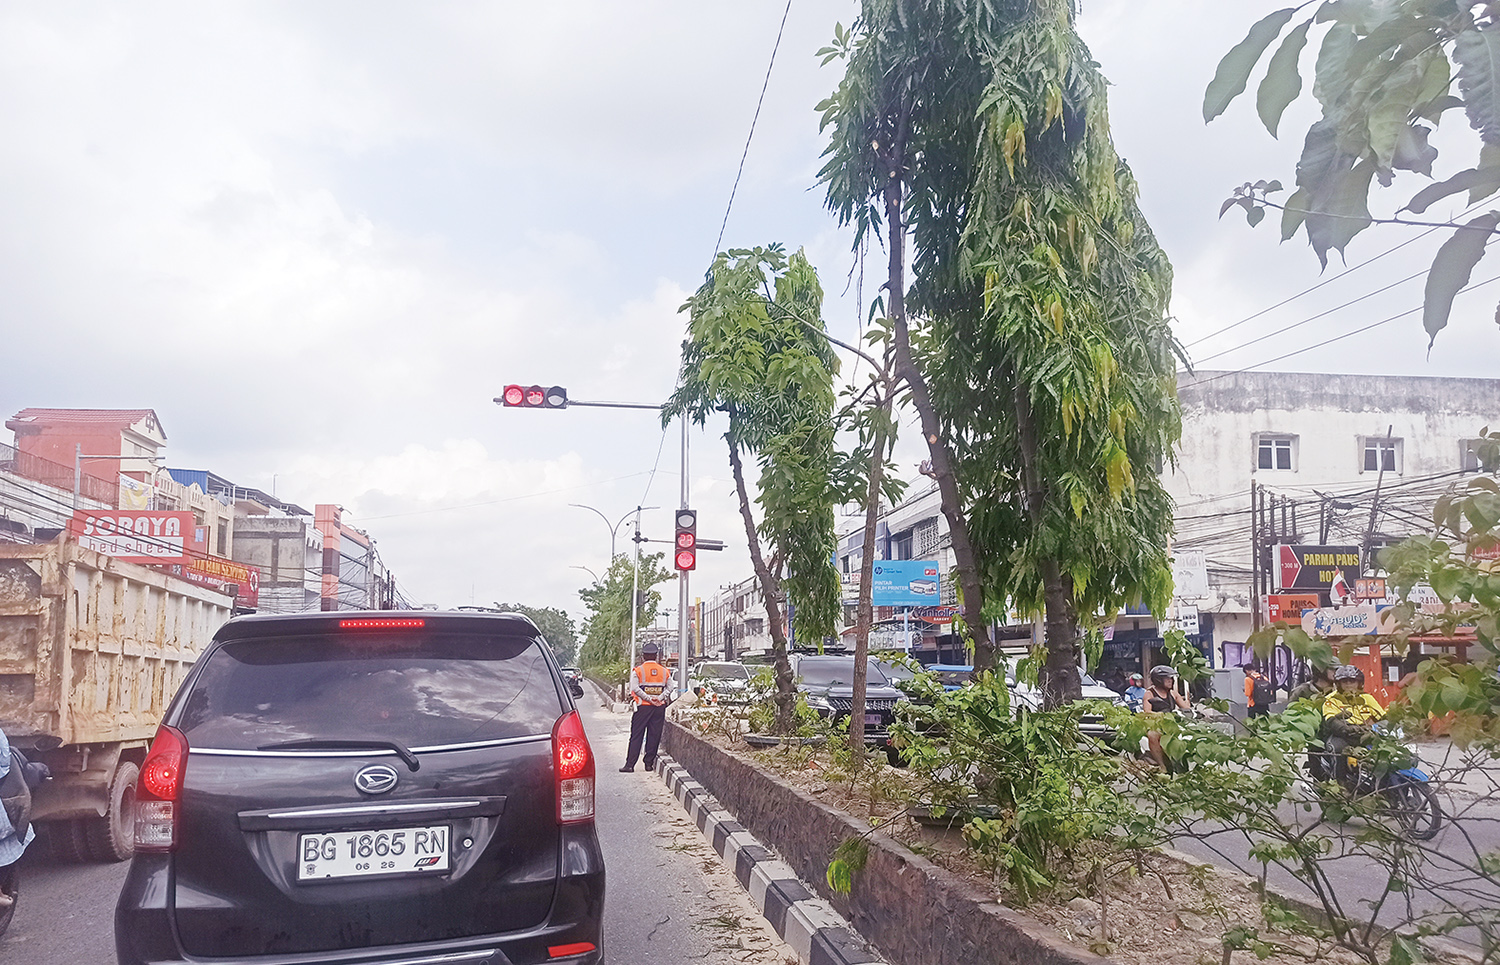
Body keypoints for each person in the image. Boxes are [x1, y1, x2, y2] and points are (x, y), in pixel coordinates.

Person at [1321, 665, 1385, 788]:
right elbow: (1330, 719)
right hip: (1341, 735)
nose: (1349, 684)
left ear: (1359, 683)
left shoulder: (1367, 698)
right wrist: (1345, 728)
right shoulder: (1331, 699)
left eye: (1352, 681)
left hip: (1364, 734)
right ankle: (1339, 785)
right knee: (1338, 749)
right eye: (1345, 681)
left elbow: (1382, 717)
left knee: (1384, 752)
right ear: (1338, 684)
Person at [620, 642, 673, 773]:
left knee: (637, 735)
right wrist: (659, 699)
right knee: (654, 735)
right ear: (656, 656)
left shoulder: (638, 671)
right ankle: (648, 764)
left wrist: (648, 699)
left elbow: (634, 688)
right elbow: (670, 687)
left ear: (643, 656)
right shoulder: (664, 671)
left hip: (642, 707)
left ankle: (630, 765)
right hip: (659, 708)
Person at [1288, 660, 1339, 781]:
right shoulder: (1302, 691)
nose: (1337, 673)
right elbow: (1291, 714)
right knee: (1318, 772)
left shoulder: (1340, 691)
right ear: (1320, 670)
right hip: (1315, 739)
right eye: (1333, 670)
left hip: (1336, 734)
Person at [1143, 664, 1189, 769]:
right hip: (1157, 724)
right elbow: (1147, 712)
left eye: (1171, 678)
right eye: (1167, 678)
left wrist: (1189, 701)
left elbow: (1185, 707)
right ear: (1158, 680)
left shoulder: (1173, 693)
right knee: (1152, 735)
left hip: (1172, 723)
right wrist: (1159, 715)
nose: (1170, 680)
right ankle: (1161, 764)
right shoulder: (1150, 694)